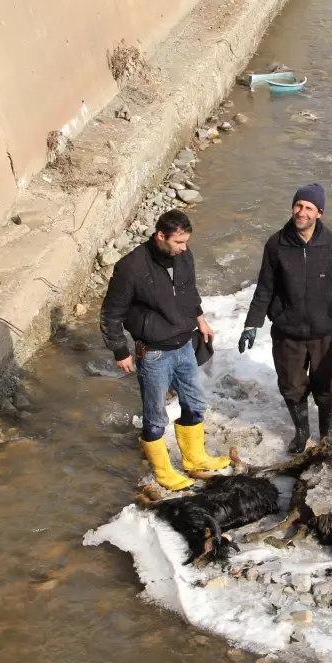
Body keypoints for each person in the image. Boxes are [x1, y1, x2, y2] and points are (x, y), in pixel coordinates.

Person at [100, 209, 230, 489]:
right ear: (161, 236)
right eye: (178, 242)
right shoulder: (130, 267)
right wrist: (119, 350)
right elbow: (111, 313)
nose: (184, 249)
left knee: (195, 404)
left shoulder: (184, 256)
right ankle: (163, 472)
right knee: (155, 416)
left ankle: (194, 460)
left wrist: (201, 321)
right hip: (154, 352)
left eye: (186, 242)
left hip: (184, 344)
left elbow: (189, 292)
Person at [239, 184, 332, 453]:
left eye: (309, 207)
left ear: (319, 212)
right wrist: (252, 323)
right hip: (288, 332)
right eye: (298, 205)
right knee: (292, 386)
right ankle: (301, 433)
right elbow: (265, 287)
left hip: (325, 331)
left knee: (328, 387)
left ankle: (328, 434)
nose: (302, 212)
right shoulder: (276, 244)